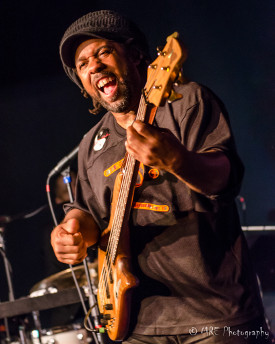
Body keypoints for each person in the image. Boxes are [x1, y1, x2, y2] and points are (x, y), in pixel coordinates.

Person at [51, 10, 274, 343]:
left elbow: (225, 179)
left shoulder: (187, 102)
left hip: (216, 315)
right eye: (82, 64)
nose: (93, 66)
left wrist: (177, 160)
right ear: (84, 86)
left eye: (103, 52)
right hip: (137, 325)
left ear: (137, 54)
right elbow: (85, 211)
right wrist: (72, 232)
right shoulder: (90, 145)